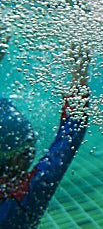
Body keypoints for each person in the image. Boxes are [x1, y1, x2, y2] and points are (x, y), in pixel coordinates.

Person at [0, 34, 90, 229]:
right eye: (29, 146)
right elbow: (69, 136)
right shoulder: (25, 193)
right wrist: (79, 74)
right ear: (17, 157)